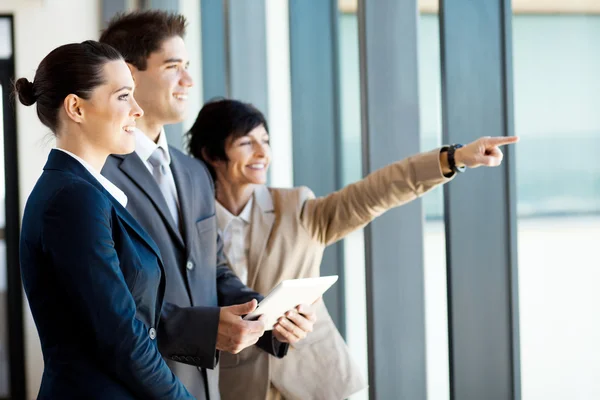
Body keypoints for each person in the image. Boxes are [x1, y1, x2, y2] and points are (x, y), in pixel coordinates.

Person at [185, 98, 520, 400]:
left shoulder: (296, 207)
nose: (262, 154)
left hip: (312, 381)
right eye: (246, 143)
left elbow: (376, 192)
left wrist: (454, 158)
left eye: (266, 141)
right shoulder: (191, 224)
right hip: (236, 386)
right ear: (212, 154)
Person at [99, 11, 316, 399]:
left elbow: (212, 271)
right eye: (173, 67)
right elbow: (105, 302)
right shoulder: (99, 175)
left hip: (201, 386)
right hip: (133, 386)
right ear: (128, 75)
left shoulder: (195, 173)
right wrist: (202, 328)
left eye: (188, 66)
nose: (189, 80)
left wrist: (267, 314)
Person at [17, 40, 193, 399]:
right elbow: (121, 337)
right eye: (124, 96)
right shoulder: (72, 198)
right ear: (76, 108)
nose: (138, 110)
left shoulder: (83, 191)